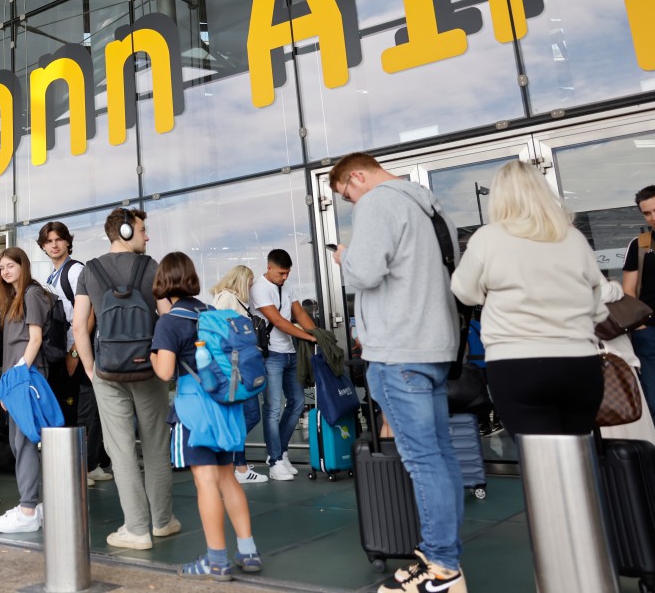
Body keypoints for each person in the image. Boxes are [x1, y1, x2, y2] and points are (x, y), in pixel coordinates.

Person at [331, 152, 466, 593]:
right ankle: (443, 559)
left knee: (423, 460)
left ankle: (442, 568)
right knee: (441, 457)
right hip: (434, 345)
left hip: (398, 349)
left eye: (346, 193)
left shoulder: (377, 202)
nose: (350, 202)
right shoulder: (430, 206)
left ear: (357, 175)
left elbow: (365, 273)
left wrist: (343, 259)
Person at [450, 161, 608, 435]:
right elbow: (599, 306)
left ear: (499, 197)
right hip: (580, 361)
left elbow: (464, 291)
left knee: (540, 462)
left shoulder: (488, 238)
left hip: (517, 363)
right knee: (580, 457)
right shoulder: (572, 237)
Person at [72, 207, 179, 550]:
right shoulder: (152, 268)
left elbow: (79, 326)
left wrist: (90, 368)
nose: (147, 236)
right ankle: (163, 522)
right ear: (126, 232)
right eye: (143, 230)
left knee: (120, 451)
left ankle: (136, 529)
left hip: (108, 369)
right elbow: (167, 319)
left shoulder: (89, 270)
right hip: (148, 368)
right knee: (156, 446)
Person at [151, 252, 262, 581]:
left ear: (163, 282)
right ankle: (248, 551)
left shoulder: (170, 321)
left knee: (206, 483)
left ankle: (216, 560)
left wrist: (153, 353)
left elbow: (165, 371)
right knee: (227, 478)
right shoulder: (211, 312)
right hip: (226, 407)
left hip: (195, 410)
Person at [39, 221, 110, 485]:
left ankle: (88, 467)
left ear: (68, 242)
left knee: (85, 410)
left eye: (58, 239)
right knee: (73, 410)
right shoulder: (52, 277)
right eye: (49, 241)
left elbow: (89, 313)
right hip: (63, 354)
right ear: (43, 246)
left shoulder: (75, 270)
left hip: (78, 353)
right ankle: (84, 465)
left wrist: (75, 353)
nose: (54, 245)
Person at [0, 247, 52, 533]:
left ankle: (28, 507)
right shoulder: (16, 298)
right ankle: (33, 504)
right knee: (18, 442)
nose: (5, 271)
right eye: (1, 267)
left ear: (22, 265)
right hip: (17, 378)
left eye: (10, 265)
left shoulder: (31, 294)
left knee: (24, 441)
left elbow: (35, 339)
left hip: (26, 377)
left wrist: (15, 378)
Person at [250, 249, 318, 481]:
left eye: (288, 273)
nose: (285, 277)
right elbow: (278, 321)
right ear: (269, 268)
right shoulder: (259, 288)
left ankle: (281, 452)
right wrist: (307, 337)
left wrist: (317, 334)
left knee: (298, 403)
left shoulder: (286, 286)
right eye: (281, 273)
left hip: (290, 353)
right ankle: (275, 460)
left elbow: (299, 313)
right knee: (273, 408)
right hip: (271, 355)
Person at [212, 265, 266, 485]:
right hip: (236, 369)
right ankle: (236, 463)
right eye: (250, 282)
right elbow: (220, 333)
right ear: (242, 281)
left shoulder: (231, 300)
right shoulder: (228, 299)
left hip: (237, 367)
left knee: (241, 416)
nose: (251, 287)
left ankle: (238, 463)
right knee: (251, 415)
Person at [622, 185, 655, 411]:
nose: (653, 217)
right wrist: (640, 325)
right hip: (650, 332)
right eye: (647, 213)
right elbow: (628, 290)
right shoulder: (640, 243)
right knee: (653, 398)